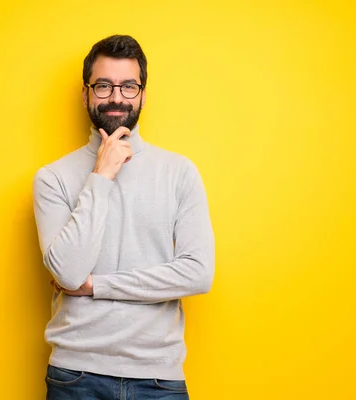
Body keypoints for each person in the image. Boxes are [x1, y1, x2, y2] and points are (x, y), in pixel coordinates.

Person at [33, 34, 215, 400]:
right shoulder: (52, 178)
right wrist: (101, 175)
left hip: (159, 380)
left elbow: (198, 272)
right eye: (104, 85)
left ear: (143, 95)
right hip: (75, 376)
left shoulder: (179, 172)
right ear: (86, 94)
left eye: (128, 86)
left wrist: (97, 286)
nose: (116, 97)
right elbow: (68, 273)